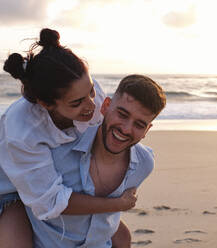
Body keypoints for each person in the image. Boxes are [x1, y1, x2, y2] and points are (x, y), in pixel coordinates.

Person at [0, 28, 139, 248]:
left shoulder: (87, 96)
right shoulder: (22, 130)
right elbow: (49, 202)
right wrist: (115, 204)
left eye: (91, 91)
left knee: (122, 238)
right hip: (10, 193)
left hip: (58, 179)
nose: (92, 105)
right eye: (77, 103)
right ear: (46, 104)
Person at [26, 74, 166, 247]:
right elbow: (32, 199)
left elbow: (105, 219)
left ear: (147, 130)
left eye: (139, 124)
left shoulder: (144, 164)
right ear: (106, 106)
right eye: (122, 114)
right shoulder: (58, 150)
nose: (126, 129)